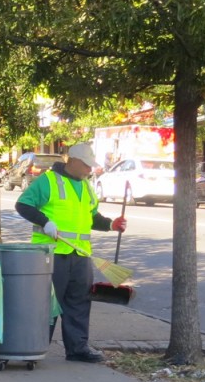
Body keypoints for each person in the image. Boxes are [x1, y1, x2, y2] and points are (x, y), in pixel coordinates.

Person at [14, 142, 127, 363]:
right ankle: (34, 347)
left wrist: (111, 225)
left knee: (79, 303)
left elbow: (92, 217)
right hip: (51, 254)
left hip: (81, 256)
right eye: (86, 165)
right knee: (46, 303)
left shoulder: (86, 187)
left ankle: (77, 349)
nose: (89, 170)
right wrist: (45, 222)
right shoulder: (48, 181)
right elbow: (23, 205)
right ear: (73, 161)